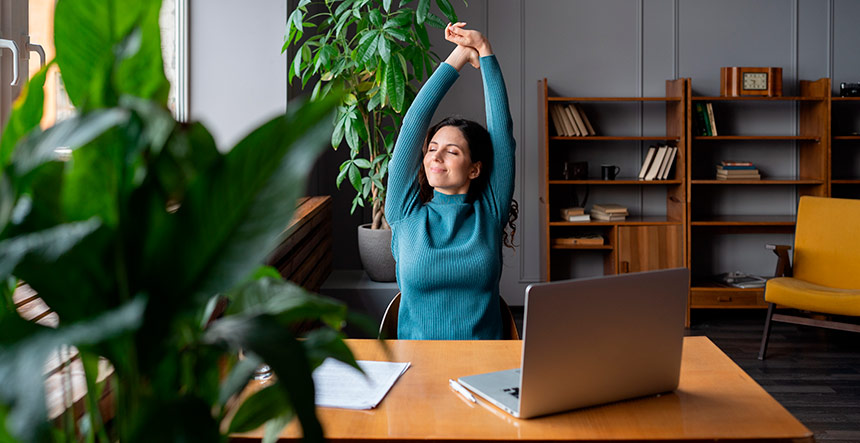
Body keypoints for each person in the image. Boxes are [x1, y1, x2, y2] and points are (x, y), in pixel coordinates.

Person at [385, 23, 517, 339]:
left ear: (474, 169)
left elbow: (502, 133)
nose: (435, 157)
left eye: (452, 151)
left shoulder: (490, 210)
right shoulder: (405, 212)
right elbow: (414, 122)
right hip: (417, 364)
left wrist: (484, 51)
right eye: (432, 149)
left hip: (486, 365)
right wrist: (458, 57)